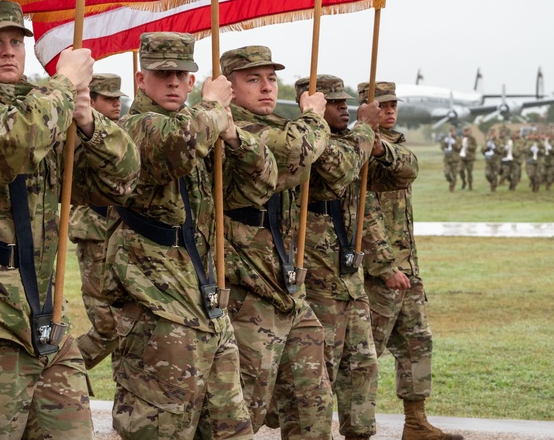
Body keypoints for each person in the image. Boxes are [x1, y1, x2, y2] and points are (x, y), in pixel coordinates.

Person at [0, 0, 139, 439]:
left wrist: (88, 120)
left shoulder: (45, 111)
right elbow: (15, 140)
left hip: (46, 315)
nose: (8, 51)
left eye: (16, 41)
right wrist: (64, 86)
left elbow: (123, 179)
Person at [106, 32, 277, 440]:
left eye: (183, 74)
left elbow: (263, 181)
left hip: (208, 304)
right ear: (140, 79)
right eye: (163, 73)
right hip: (159, 309)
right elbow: (175, 147)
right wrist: (214, 106)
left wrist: (234, 136)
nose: (174, 82)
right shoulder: (133, 128)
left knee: (231, 429)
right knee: (161, 429)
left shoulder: (207, 127)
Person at [220, 46, 333, 438]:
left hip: (286, 284)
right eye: (254, 79)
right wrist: (314, 117)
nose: (267, 87)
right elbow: (292, 151)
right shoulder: (233, 129)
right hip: (246, 288)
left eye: (271, 78)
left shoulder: (278, 124)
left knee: (313, 402)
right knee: (243, 407)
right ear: (228, 89)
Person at [360, 82, 463, 440]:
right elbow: (363, 211)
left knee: (418, 342)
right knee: (364, 354)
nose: (389, 111)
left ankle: (416, 422)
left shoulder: (393, 148)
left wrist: (380, 146)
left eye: (393, 105)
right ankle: (358, 429)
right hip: (375, 272)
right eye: (382, 106)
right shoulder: (353, 148)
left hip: (407, 267)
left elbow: (409, 168)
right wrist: (384, 265)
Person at [293, 75, 390, 440]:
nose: (344, 108)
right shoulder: (308, 143)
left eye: (345, 102)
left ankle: (360, 432)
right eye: (334, 102)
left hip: (351, 278)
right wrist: (365, 128)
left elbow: (405, 169)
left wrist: (376, 144)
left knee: (362, 364)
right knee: (320, 372)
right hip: (318, 279)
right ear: (311, 104)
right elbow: (338, 167)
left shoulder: (356, 142)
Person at [70, 73, 128, 370]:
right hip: (95, 233)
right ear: (91, 101)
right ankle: (51, 379)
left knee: (128, 328)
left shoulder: (121, 134)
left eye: (119, 98)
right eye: (108, 98)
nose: (116, 104)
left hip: (122, 235)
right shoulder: (79, 135)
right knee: (109, 327)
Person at [455, 126, 476, 190]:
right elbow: (457, 147)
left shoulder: (472, 138)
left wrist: (468, 146)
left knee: (469, 172)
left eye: (467, 131)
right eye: (465, 131)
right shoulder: (460, 139)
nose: (466, 132)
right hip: (462, 157)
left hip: (469, 157)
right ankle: (463, 181)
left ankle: (470, 185)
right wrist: (461, 145)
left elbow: (474, 147)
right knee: (460, 170)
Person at [482, 127, 503, 192]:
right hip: (488, 160)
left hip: (496, 160)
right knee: (487, 174)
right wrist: (487, 147)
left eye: (493, 132)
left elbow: (501, 151)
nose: (492, 134)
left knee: (495, 174)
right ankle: (492, 183)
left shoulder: (499, 141)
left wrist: (495, 147)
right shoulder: (487, 141)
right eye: (491, 132)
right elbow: (482, 151)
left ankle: (493, 187)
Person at [439, 127, 458, 192]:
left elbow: (459, 148)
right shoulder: (446, 139)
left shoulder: (457, 139)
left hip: (454, 159)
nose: (451, 132)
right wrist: (445, 142)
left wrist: (454, 143)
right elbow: (442, 147)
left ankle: (452, 186)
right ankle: (451, 181)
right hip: (447, 159)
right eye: (450, 131)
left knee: (454, 174)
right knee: (446, 173)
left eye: (452, 131)